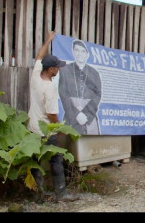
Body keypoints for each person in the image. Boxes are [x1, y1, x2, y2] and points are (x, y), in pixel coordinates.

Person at [27, 31, 79, 203]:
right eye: (57, 67)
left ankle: (38, 195)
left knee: (36, 162)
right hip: (46, 131)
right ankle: (61, 194)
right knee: (56, 160)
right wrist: (59, 129)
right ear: (51, 70)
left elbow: (38, 56)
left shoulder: (35, 76)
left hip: (32, 129)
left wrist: (48, 40)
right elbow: (51, 114)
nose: (58, 69)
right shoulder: (49, 88)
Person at [58, 39, 102, 135]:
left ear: (87, 54)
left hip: (89, 117)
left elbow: (98, 94)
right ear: (73, 51)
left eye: (83, 51)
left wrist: (86, 114)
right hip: (71, 116)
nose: (80, 54)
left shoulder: (94, 73)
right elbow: (63, 94)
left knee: (91, 146)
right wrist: (76, 114)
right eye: (77, 50)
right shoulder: (65, 71)